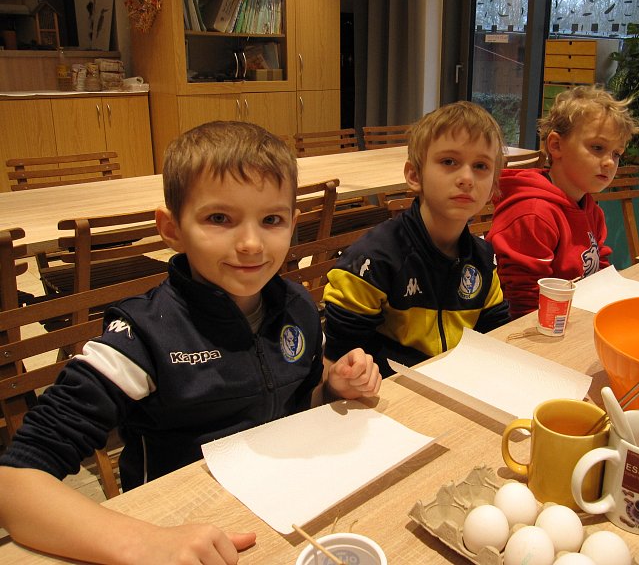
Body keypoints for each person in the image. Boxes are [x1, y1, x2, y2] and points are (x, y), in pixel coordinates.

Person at [0, 121, 382, 564]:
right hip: (178, 530)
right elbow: (14, 481)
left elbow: (298, 403)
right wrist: (142, 542)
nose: (251, 244)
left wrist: (333, 387)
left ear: (293, 224)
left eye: (271, 220)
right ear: (172, 229)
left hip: (286, 510)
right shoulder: (143, 335)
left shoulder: (297, 304)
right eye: (219, 219)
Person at [322, 101, 510, 377]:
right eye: (449, 162)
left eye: (481, 166)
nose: (467, 178)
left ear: (493, 186)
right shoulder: (373, 260)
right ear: (414, 175)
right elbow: (338, 364)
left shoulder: (483, 259)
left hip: (458, 383)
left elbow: (496, 338)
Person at [487, 85, 639, 319]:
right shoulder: (533, 214)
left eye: (616, 154)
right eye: (597, 148)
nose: (610, 162)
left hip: (573, 317)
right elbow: (523, 306)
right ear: (556, 145)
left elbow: (598, 269)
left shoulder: (590, 208)